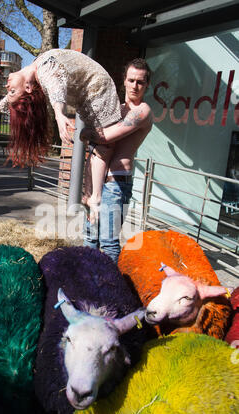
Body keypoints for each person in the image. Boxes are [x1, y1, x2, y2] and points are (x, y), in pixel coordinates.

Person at [0, 48, 134, 214]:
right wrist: (58, 113)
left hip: (96, 91)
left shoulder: (36, 70)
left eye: (9, 90)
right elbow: (56, 87)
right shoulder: (43, 72)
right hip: (96, 94)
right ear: (28, 87)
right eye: (10, 90)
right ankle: (93, 196)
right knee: (101, 147)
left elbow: (19, 96)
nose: (6, 85)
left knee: (101, 147)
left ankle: (94, 196)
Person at [81, 58, 153, 263]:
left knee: (108, 242)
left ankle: (111, 290)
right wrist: (88, 190)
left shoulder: (143, 111)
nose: (135, 86)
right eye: (131, 80)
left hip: (116, 184)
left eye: (140, 82)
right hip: (98, 182)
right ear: (123, 81)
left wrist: (85, 132)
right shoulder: (117, 109)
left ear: (147, 84)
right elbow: (97, 151)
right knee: (90, 237)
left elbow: (105, 137)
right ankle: (88, 282)